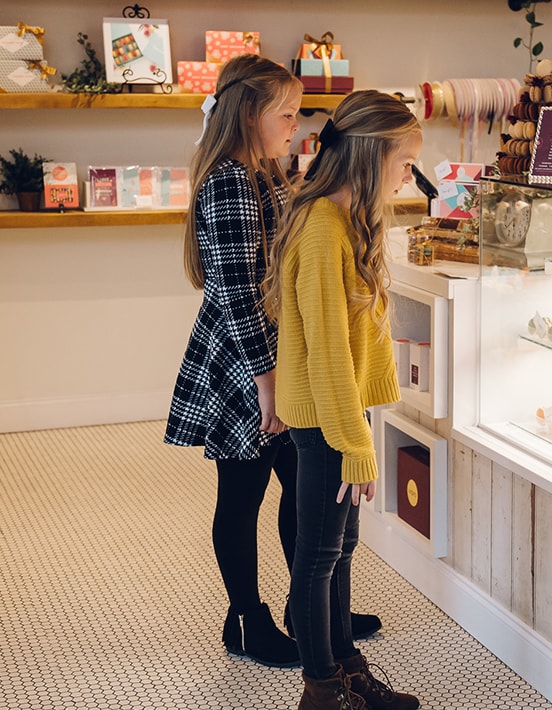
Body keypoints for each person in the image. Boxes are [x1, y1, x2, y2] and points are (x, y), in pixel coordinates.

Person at [163, 55, 379, 669]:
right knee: (242, 492)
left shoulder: (261, 172)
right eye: (285, 113)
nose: (295, 123)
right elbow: (235, 290)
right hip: (246, 363)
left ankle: (308, 608)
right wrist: (268, 383)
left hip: (272, 359)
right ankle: (247, 620)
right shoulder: (230, 181)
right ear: (247, 114)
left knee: (296, 485)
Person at [263, 91, 422, 709]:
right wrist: (355, 442)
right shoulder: (324, 229)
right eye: (403, 162)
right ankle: (322, 690)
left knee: (341, 546)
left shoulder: (345, 219)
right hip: (326, 418)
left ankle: (345, 667)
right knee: (318, 555)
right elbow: (328, 351)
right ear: (369, 157)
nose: (409, 175)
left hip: (338, 410)